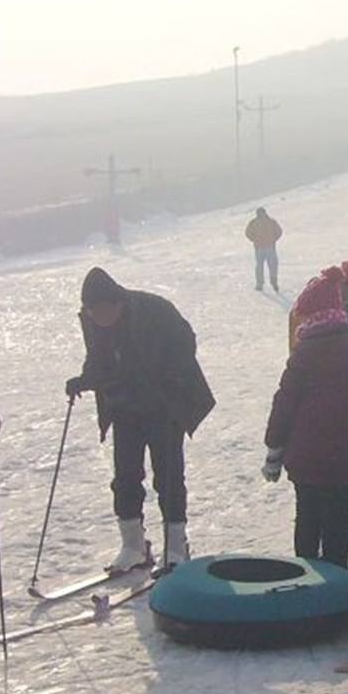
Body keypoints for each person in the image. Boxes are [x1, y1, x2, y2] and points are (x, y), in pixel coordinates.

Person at [66, 267, 215, 573]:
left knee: (169, 476)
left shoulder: (153, 310)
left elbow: (186, 342)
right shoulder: (94, 320)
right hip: (125, 408)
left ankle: (176, 547)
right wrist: (83, 380)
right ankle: (133, 547)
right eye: (91, 312)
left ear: (116, 304)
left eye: (101, 311)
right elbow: (99, 361)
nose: (96, 318)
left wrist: (171, 377)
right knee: (126, 476)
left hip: (164, 406)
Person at [263, 268, 348, 570]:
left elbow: (284, 402)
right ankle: (336, 588)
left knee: (308, 519)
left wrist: (274, 449)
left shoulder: (305, 353)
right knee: (336, 524)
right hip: (347, 454)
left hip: (307, 457)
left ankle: (307, 582)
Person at [246, 207, 283, 292]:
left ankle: (273, 282)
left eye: (262, 213)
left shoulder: (271, 222)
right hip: (260, 248)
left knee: (272, 266)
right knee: (260, 266)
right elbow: (248, 233)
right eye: (260, 213)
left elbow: (279, 231)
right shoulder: (254, 222)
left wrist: (273, 239)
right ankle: (260, 284)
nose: (261, 214)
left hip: (269, 247)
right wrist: (254, 239)